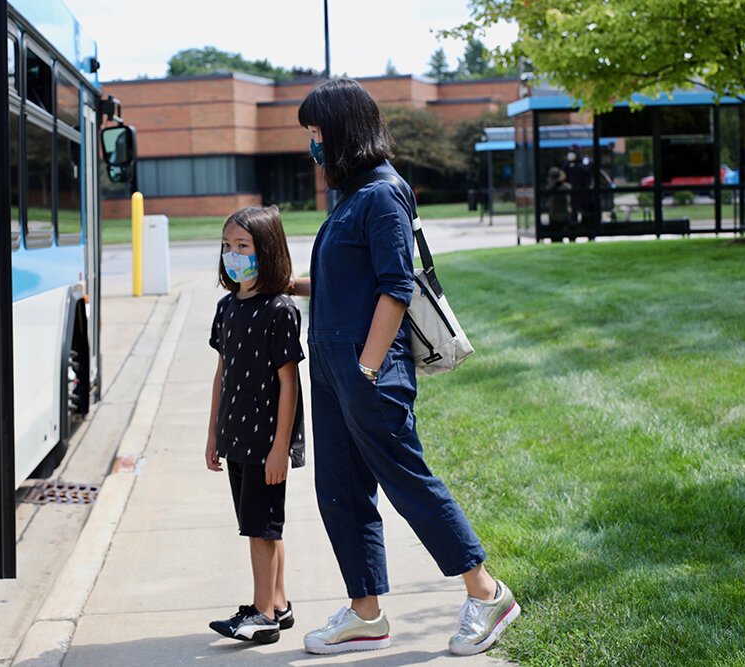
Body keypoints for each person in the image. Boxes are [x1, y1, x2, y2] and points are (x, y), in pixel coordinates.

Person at [290, 78, 520, 657]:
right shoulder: (351, 196)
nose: (311, 145)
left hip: (370, 371)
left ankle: (487, 592)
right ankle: (365, 612)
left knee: (407, 483)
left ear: (341, 131)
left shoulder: (383, 193)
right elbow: (351, 284)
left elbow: (395, 288)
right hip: (334, 369)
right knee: (339, 490)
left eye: (316, 133)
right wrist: (285, 284)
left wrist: (366, 371)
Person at [205, 206, 306, 645]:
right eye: (228, 246)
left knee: (259, 528)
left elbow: (290, 382)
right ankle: (279, 604)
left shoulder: (279, 310)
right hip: (235, 438)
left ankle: (261, 614)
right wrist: (213, 434)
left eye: (242, 247)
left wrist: (281, 447)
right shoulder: (227, 307)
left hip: (266, 442)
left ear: (266, 251)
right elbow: (221, 374)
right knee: (264, 524)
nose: (233, 254)